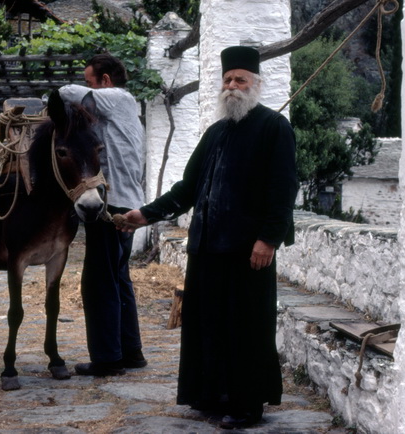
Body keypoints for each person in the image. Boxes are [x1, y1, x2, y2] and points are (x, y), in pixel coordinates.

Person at [117, 46, 298, 428]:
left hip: (248, 251)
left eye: (240, 80)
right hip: (207, 247)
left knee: (245, 327)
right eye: (228, 79)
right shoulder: (216, 132)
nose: (232, 86)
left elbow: (283, 190)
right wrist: (144, 215)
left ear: (256, 85)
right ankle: (213, 395)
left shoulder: (273, 127)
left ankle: (247, 404)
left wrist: (268, 239)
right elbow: (187, 189)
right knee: (209, 324)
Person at [59, 53, 147, 376]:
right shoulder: (127, 111)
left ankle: (108, 359)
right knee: (118, 278)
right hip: (129, 203)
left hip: (111, 205)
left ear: (105, 82)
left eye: (90, 81)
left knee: (98, 282)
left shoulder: (115, 98)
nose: (88, 87)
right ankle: (131, 351)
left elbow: (70, 93)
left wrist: (51, 99)